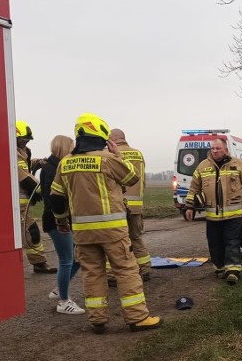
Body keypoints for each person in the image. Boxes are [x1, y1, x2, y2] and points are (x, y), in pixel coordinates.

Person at [50, 113, 161, 334]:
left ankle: (97, 320)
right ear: (100, 134)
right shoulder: (108, 159)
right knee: (126, 271)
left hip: (83, 233)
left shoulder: (65, 163)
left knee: (92, 274)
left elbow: (56, 198)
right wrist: (119, 155)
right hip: (113, 231)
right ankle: (137, 318)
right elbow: (132, 178)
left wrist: (61, 221)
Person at [184, 135, 242, 284]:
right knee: (214, 243)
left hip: (233, 216)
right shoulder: (202, 167)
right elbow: (193, 188)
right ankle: (219, 268)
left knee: (232, 242)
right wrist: (189, 206)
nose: (215, 151)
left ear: (226, 149)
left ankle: (233, 271)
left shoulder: (238, 165)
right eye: (213, 148)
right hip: (212, 217)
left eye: (218, 148)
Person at [40, 135, 84, 315]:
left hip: (63, 220)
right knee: (67, 260)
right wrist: (61, 221)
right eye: (72, 147)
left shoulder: (54, 166)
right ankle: (63, 301)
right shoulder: (53, 169)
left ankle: (59, 288)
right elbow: (54, 200)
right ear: (65, 148)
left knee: (77, 257)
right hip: (57, 222)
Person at [107, 128, 151, 283]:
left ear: (112, 139)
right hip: (136, 206)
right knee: (136, 238)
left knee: (114, 241)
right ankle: (144, 270)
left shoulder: (110, 154)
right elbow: (142, 180)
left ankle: (112, 275)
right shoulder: (138, 154)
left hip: (117, 206)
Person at [15, 121, 55, 274]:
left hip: (23, 204)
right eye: (22, 138)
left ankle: (39, 263)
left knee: (29, 233)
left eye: (27, 139)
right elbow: (23, 175)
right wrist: (40, 189)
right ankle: (39, 263)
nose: (25, 141)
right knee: (32, 233)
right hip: (17, 204)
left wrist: (38, 162)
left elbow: (25, 165)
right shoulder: (10, 152)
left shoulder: (22, 151)